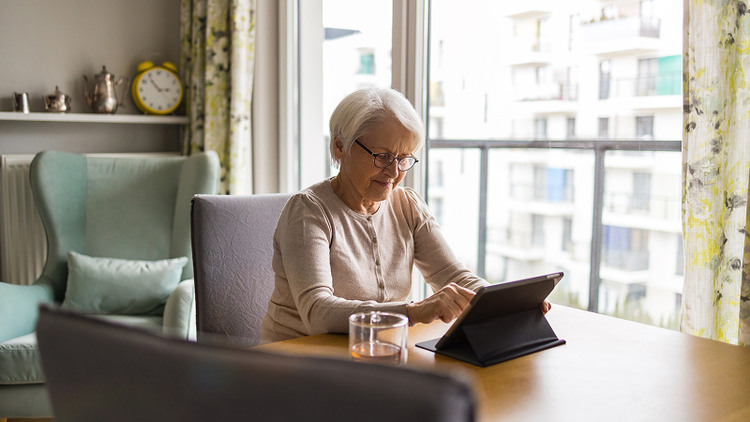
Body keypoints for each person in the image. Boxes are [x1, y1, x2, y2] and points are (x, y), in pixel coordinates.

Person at [260, 87, 549, 343]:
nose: (394, 172)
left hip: (375, 353)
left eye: (404, 159)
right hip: (297, 362)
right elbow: (318, 311)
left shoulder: (407, 205)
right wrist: (413, 311)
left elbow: (453, 276)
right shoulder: (308, 210)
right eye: (383, 156)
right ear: (340, 146)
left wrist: (505, 303)